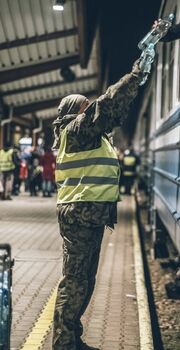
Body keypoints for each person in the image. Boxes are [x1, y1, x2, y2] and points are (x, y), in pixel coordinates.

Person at [51, 60, 144, 350]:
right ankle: (63, 343)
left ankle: (71, 336)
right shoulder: (76, 132)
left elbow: (113, 112)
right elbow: (107, 105)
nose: (89, 109)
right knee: (75, 280)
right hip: (79, 215)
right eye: (84, 107)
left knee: (84, 280)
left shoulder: (88, 136)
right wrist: (135, 75)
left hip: (87, 214)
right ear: (73, 113)